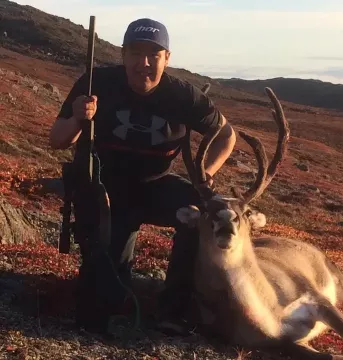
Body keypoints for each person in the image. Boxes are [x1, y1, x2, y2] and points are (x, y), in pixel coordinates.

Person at [49, 18, 236, 335]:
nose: (143, 63)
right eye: (135, 53)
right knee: (101, 303)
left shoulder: (183, 97)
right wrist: (79, 119)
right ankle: (115, 288)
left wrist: (205, 174)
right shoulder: (96, 84)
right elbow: (58, 139)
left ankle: (175, 310)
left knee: (201, 209)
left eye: (154, 54)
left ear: (167, 58)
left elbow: (226, 135)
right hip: (106, 192)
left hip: (156, 186)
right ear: (123, 55)